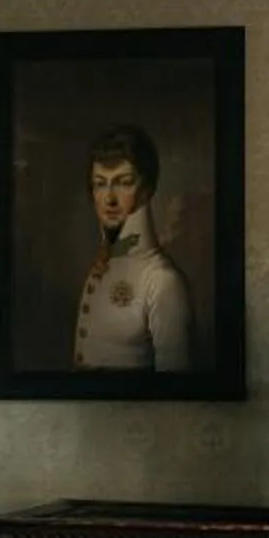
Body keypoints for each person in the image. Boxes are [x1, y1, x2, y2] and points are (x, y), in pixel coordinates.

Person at [73, 125, 193, 373]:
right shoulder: (103, 264)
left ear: (146, 191)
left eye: (124, 183)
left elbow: (176, 393)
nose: (109, 199)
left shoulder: (161, 279)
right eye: (100, 184)